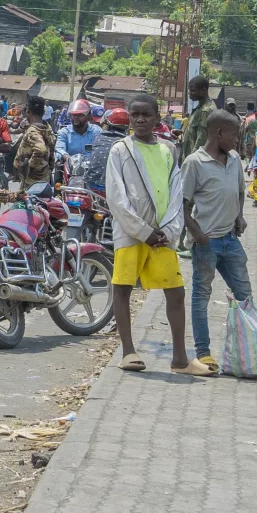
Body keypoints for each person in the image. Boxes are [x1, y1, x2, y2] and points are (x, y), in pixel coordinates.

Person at [106, 93, 213, 377]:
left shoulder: (169, 150)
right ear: (128, 117)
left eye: (146, 114)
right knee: (123, 287)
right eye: (135, 114)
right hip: (131, 233)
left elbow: (176, 194)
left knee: (175, 292)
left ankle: (180, 359)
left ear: (157, 117)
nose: (140, 119)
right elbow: (116, 197)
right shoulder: (120, 150)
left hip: (162, 235)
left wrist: (166, 231)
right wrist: (142, 231)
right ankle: (128, 351)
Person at [182, 109, 250, 371]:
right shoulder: (194, 163)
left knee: (245, 297)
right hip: (207, 242)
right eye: (235, 135)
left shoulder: (234, 160)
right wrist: (198, 234)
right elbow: (182, 204)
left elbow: (240, 192)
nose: (237, 142)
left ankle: (253, 348)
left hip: (231, 240)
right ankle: (203, 352)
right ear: (219, 133)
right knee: (201, 296)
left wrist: (240, 216)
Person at [83, 106, 127, 193]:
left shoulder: (98, 137)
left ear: (107, 123)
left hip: (92, 184)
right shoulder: (128, 142)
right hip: (116, 189)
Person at [13, 96, 55, 187]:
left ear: (28, 111)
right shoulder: (47, 127)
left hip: (32, 181)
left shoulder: (33, 130)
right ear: (43, 112)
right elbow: (51, 151)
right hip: (44, 177)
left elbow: (40, 149)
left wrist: (28, 167)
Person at [54, 99, 102, 174]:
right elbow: (60, 148)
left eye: (80, 115)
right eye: (74, 115)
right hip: (69, 170)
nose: (76, 117)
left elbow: (100, 150)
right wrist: (68, 158)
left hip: (91, 171)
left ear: (88, 116)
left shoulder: (97, 131)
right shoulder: (64, 132)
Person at [178, 75, 214, 163]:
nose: (189, 93)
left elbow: (201, 141)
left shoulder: (206, 110)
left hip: (195, 162)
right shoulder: (200, 107)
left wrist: (192, 162)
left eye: (193, 90)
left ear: (203, 90)